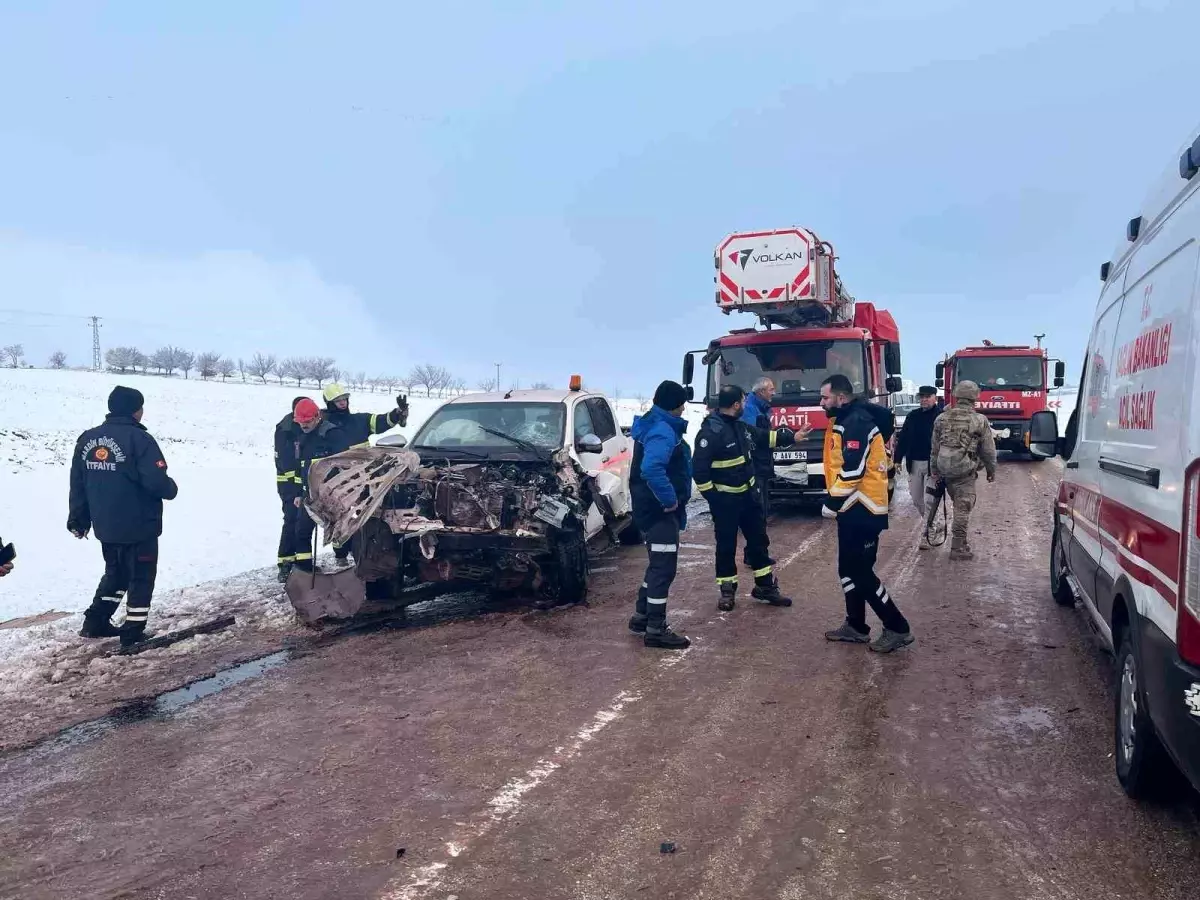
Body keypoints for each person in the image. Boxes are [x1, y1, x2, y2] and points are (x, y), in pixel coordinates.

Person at [68, 386, 179, 647]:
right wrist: (171, 487)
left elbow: (78, 483)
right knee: (141, 576)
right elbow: (155, 481)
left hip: (106, 525)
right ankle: (133, 633)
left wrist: (78, 519)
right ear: (135, 410)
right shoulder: (139, 440)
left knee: (116, 573)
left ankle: (96, 621)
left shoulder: (87, 439)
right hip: (139, 524)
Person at [819, 374, 914, 653]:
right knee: (847, 569)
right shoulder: (845, 419)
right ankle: (856, 626)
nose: (821, 402)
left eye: (825, 397)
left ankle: (897, 627)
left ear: (841, 397)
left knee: (861, 572)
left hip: (864, 508)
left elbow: (853, 471)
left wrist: (832, 502)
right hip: (852, 508)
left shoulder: (856, 422)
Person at [693, 385, 796, 612]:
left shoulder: (740, 427)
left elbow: (764, 437)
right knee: (726, 547)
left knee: (759, 542)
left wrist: (792, 436)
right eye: (743, 400)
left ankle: (765, 588)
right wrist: (715, 500)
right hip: (726, 503)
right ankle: (727, 591)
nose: (745, 404)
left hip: (749, 499)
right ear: (737, 405)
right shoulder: (710, 433)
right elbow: (699, 473)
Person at [626, 380, 693, 650]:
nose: (684, 408)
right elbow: (652, 469)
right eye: (682, 403)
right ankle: (655, 628)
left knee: (657, 563)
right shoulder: (663, 431)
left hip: (649, 508)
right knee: (664, 568)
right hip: (658, 511)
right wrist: (670, 500)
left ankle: (641, 617)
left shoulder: (653, 423)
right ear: (675, 405)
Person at [320, 383, 409, 561]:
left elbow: (382, 421)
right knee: (340, 517)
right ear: (330, 403)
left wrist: (397, 414)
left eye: (344, 399)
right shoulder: (323, 426)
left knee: (367, 514)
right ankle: (340, 554)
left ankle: (362, 550)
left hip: (364, 479)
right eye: (338, 401)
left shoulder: (359, 421)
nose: (343, 403)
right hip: (338, 480)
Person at [930, 380, 997, 560]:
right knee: (962, 508)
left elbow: (935, 448)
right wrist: (991, 471)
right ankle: (957, 547)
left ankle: (961, 542)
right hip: (964, 472)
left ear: (957, 395)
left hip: (945, 470)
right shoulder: (979, 420)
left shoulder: (941, 418)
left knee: (957, 504)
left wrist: (935, 470)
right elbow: (988, 450)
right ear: (975, 397)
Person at [291, 398, 344, 573]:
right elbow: (301, 468)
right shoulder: (301, 437)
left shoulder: (332, 434)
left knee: (339, 530)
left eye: (307, 422)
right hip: (309, 496)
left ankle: (345, 559)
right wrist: (299, 493)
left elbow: (343, 464)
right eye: (301, 423)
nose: (304, 426)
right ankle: (304, 569)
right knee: (302, 532)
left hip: (331, 495)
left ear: (317, 417)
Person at [894, 385, 943, 547]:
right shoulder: (913, 416)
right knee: (917, 499)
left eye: (927, 396)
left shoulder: (941, 417)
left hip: (933, 466)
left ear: (935, 397)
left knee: (929, 501)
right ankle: (935, 522)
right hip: (914, 463)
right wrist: (897, 459)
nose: (924, 399)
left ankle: (928, 534)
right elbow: (904, 439)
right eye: (921, 397)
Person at [274, 397, 308, 582]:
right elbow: (287, 464)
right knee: (291, 520)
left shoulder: (307, 425)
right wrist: (296, 491)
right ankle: (285, 563)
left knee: (303, 522)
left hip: (302, 483)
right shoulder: (285, 430)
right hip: (288, 485)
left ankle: (302, 563)